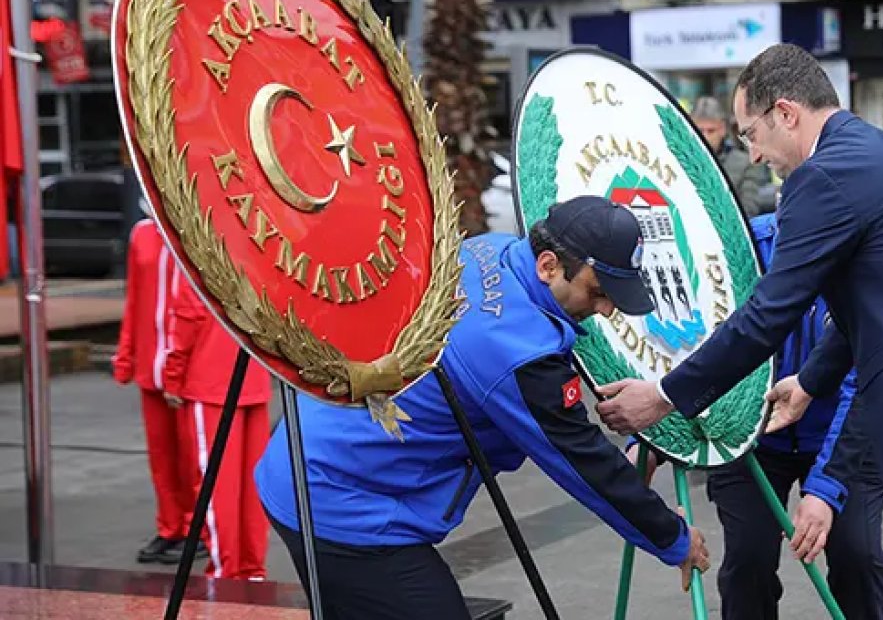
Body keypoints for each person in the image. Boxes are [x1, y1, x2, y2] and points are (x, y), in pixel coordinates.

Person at [596, 43, 883, 620]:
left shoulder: (822, 177)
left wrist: (665, 396)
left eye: (751, 134)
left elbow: (769, 313)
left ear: (786, 112)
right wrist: (813, 382)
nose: (755, 152)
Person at [254, 197, 710, 619]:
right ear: (549, 265)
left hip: (312, 456)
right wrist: (672, 538)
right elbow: (583, 462)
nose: (607, 309)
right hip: (343, 499)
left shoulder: (491, 250)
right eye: (597, 292)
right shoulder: (517, 356)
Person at [630, 211, 883, 620]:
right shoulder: (738, 250)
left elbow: (859, 380)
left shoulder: (863, 257)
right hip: (748, 433)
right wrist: (649, 441)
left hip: (841, 432)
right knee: (747, 561)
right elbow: (689, 342)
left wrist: (824, 489)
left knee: (857, 554)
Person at [111, 197, 202, 564]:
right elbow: (134, 300)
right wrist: (126, 354)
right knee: (162, 456)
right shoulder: (142, 234)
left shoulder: (193, 234)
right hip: (152, 363)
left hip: (190, 367)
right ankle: (170, 527)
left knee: (193, 456)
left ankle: (198, 528)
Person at [166, 274, 274, 579]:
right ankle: (251, 568)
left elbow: (187, 315)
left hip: (209, 380)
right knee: (250, 486)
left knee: (216, 487)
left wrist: (173, 375)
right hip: (253, 380)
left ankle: (226, 571)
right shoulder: (256, 253)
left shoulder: (197, 248)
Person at [692, 96, 771, 217]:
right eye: (699, 130)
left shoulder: (746, 163)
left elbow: (748, 210)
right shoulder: (679, 160)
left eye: (711, 130)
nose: (704, 137)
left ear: (722, 129)